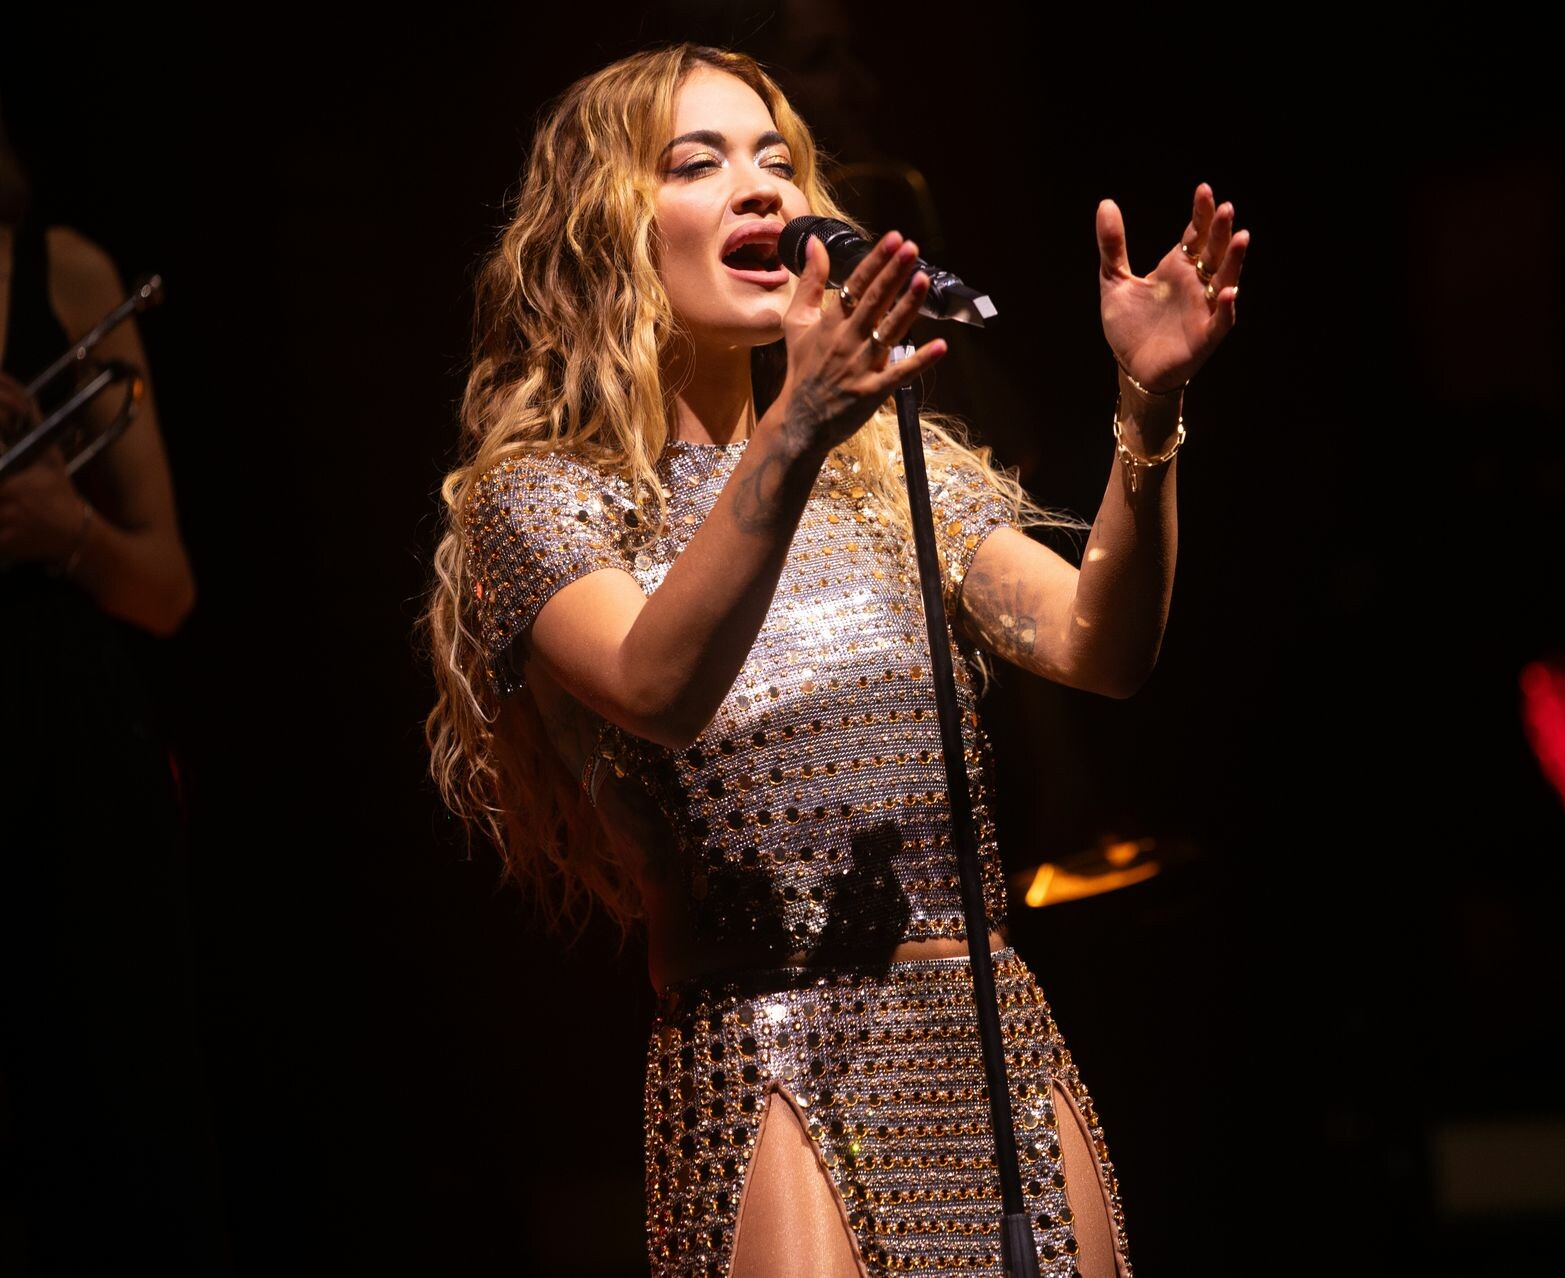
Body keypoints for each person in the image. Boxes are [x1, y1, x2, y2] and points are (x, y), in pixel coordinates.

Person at [421, 43, 1245, 1278]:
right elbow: (658, 688)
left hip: (989, 1038)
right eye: (697, 164)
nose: (760, 187)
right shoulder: (543, 501)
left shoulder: (885, 476)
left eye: (776, 160)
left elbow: (1099, 643)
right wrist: (796, 424)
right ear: (605, 232)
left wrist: (1148, 407)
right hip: (769, 1050)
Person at [0, 107, 217, 1270]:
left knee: (121, 1154)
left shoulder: (66, 274)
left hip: (69, 774)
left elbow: (167, 588)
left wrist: (61, 525)